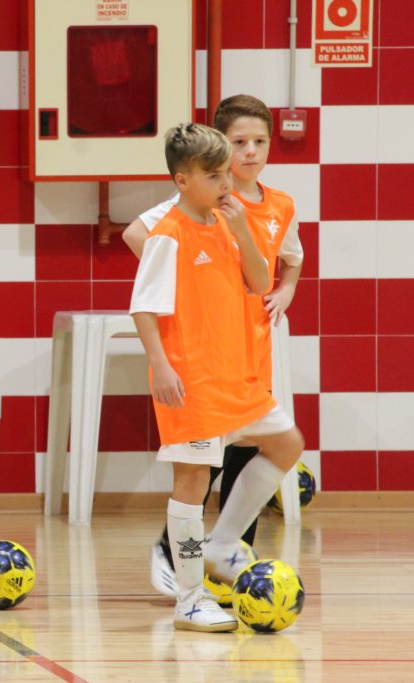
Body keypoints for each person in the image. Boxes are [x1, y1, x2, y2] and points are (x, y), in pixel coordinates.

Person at [123, 95, 304, 597]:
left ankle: (221, 547)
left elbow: (270, 273)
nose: (248, 155)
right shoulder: (182, 220)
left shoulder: (255, 209)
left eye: (258, 143)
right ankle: (186, 581)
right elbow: (141, 247)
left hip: (243, 355)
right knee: (198, 472)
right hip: (198, 362)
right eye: (238, 145)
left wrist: (279, 285)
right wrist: (184, 286)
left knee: (281, 445)